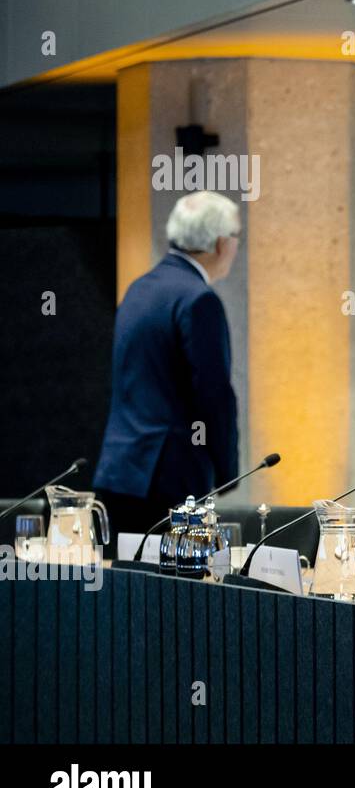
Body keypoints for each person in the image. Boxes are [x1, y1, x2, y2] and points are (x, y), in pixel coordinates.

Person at [94, 191, 242, 536]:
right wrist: (227, 470)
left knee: (123, 587)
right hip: (169, 480)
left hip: (119, 473)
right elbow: (214, 393)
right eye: (237, 237)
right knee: (176, 590)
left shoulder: (139, 289)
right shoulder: (198, 299)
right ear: (221, 244)